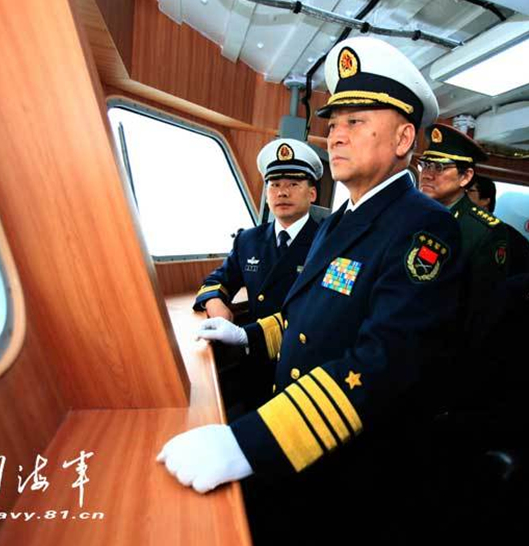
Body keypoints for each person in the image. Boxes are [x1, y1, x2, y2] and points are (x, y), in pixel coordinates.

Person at [158, 37, 462, 543]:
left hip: (353, 464)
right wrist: (248, 338)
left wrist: (249, 442)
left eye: (356, 121)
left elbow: (385, 363)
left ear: (404, 137)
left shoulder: (424, 228)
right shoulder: (339, 220)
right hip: (303, 434)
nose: (336, 136)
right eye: (334, 123)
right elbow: (310, 316)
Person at [193, 138, 322, 322]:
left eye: (293, 184)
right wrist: (216, 305)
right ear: (267, 196)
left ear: (312, 194)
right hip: (252, 339)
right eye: (274, 185)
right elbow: (218, 281)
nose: (282, 192)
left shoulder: (327, 241)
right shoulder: (248, 240)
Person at [418, 124, 509, 335]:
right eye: (426, 165)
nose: (428, 175)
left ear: (465, 177)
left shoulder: (484, 231)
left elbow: (482, 310)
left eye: (439, 167)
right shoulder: (410, 214)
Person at [470, 174, 529, 276]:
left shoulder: (508, 235)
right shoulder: (460, 226)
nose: (462, 196)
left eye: (470, 191)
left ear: (485, 200)